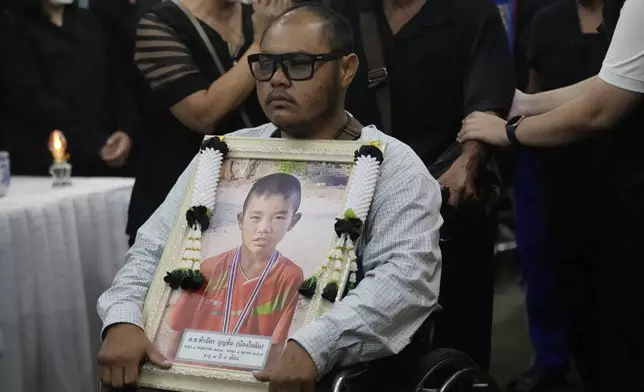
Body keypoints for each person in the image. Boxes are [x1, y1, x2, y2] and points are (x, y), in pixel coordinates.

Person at [97, 4, 442, 391]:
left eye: (298, 64)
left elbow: (405, 280)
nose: (276, 79)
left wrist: (315, 344)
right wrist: (123, 317)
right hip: (195, 365)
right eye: (265, 65)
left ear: (346, 69)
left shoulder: (392, 164)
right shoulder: (226, 154)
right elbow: (152, 249)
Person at [459, 0, 643, 390]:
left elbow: (601, 108)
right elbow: (614, 80)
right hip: (574, 188)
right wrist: (527, 104)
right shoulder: (554, 22)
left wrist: (509, 132)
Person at [323, 0, 515, 369]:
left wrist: (469, 160)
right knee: (363, 334)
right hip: (358, 199)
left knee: (455, 336)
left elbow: (488, 101)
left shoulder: (471, 12)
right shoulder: (341, 10)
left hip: (447, 197)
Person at [126, 0, 292, 246]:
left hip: (253, 193)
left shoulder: (261, 15)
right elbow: (202, 115)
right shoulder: (158, 22)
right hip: (179, 195)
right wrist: (260, 43)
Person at [508, 1, 608, 391]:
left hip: (614, 167)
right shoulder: (547, 20)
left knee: (609, 279)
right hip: (547, 164)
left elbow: (605, 102)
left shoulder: (627, 21)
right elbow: (529, 97)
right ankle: (550, 359)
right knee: (543, 265)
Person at [166, 173, 304, 368]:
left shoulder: (290, 277)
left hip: (244, 378)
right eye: (255, 217)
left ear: (293, 222)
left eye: (279, 217)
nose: (264, 228)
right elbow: (178, 329)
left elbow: (276, 346)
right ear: (241, 220)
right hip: (194, 371)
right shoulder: (210, 268)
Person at [0, 0, 137, 176]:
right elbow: (29, 97)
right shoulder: (11, 27)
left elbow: (119, 82)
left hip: (108, 155)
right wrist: (95, 142)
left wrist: (125, 131)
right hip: (45, 161)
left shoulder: (91, 22)